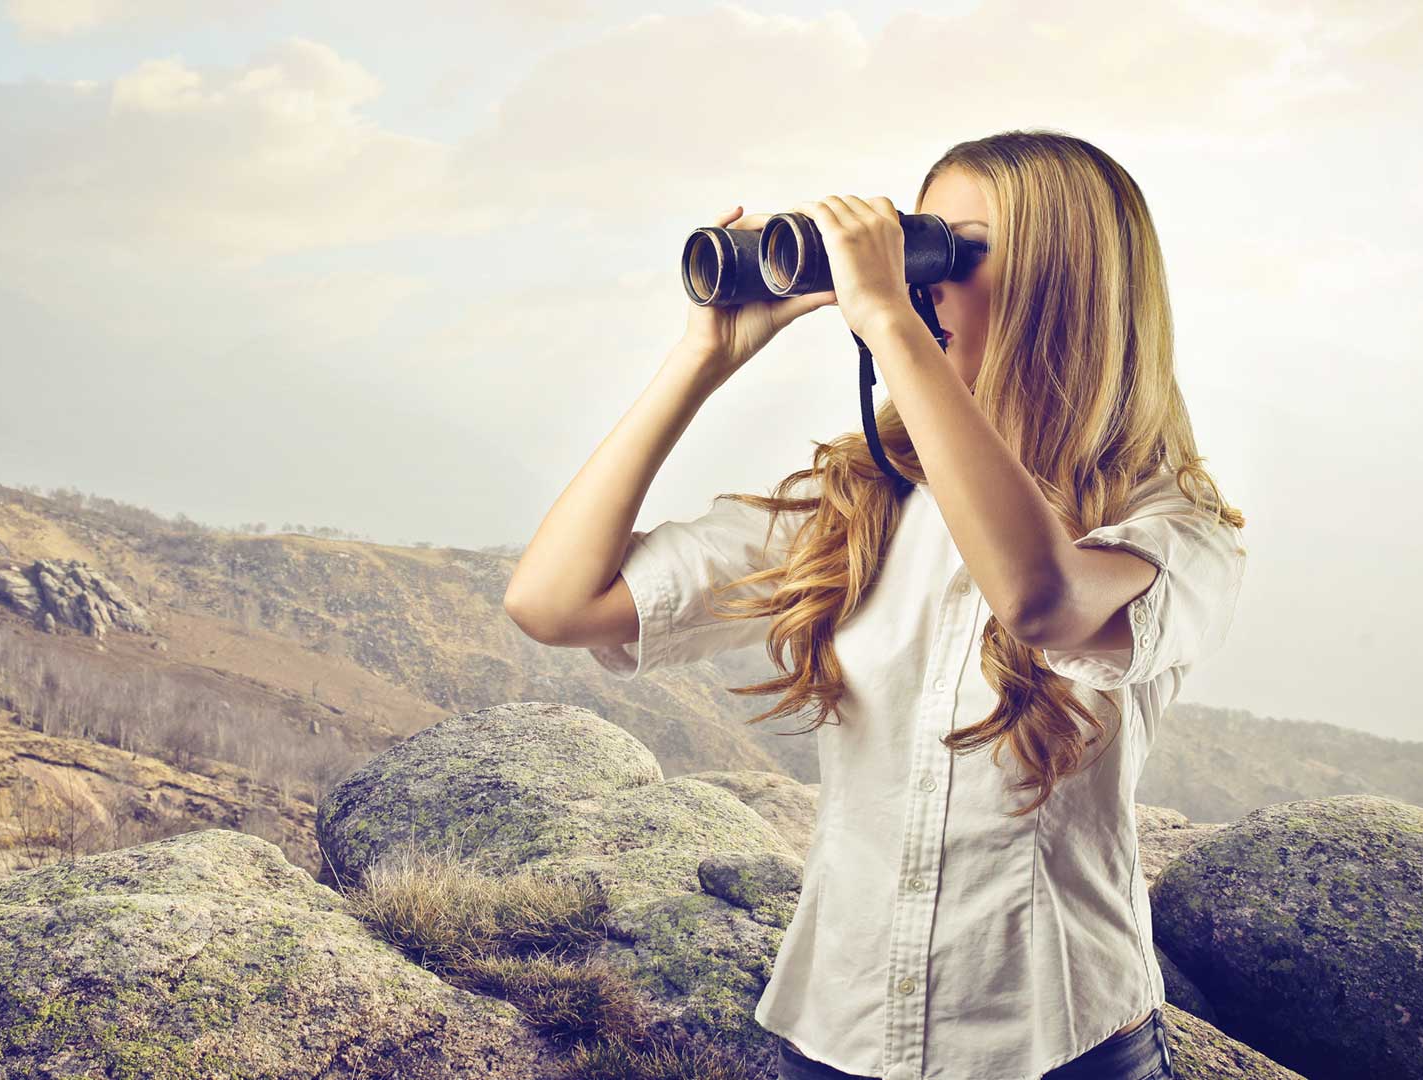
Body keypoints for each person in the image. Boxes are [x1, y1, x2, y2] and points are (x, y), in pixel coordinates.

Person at [503, 129, 1246, 1080]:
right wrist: (705, 355)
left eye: (955, 249)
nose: (919, 275)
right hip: (837, 1031)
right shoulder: (858, 506)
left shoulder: (1176, 531)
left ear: (1064, 285)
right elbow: (555, 603)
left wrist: (892, 324)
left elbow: (1041, 598)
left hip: (1055, 1045)